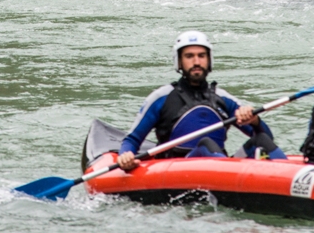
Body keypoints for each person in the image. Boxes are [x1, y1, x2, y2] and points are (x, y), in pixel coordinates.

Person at [117, 31, 287, 171]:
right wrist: (126, 156)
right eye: (189, 56)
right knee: (206, 143)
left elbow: (267, 139)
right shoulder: (161, 98)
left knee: (261, 142)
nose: (196, 62)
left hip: (220, 166)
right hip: (174, 169)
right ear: (180, 62)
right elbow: (132, 140)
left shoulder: (224, 99)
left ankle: (286, 178)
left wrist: (255, 121)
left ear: (209, 59)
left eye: (201, 56)